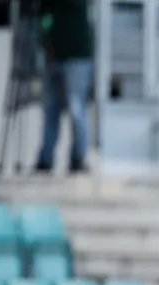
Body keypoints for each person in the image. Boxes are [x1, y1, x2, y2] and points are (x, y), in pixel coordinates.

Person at [35, 0, 95, 174]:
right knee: (50, 111)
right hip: (53, 55)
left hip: (77, 56)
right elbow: (43, 16)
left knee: (77, 110)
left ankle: (78, 157)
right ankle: (45, 160)